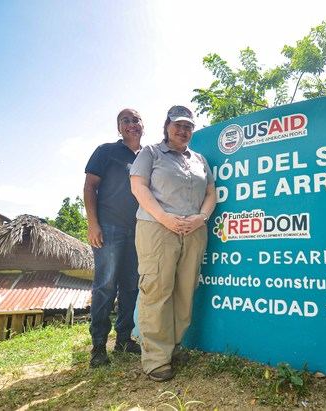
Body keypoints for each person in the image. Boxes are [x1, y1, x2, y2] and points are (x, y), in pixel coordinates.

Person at [130, 105, 216, 382]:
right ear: (167, 126)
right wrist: (164, 217)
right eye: (178, 125)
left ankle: (172, 347)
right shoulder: (151, 153)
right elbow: (138, 187)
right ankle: (155, 359)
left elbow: (211, 193)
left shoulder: (200, 160)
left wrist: (201, 218)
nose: (183, 130)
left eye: (188, 126)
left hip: (193, 231)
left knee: (184, 291)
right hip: (157, 228)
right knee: (157, 289)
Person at [84, 108, 143, 368]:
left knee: (131, 287)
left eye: (136, 119)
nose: (132, 124)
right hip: (109, 228)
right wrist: (93, 224)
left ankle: (123, 339)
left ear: (144, 125)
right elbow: (89, 186)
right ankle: (98, 346)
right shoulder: (106, 151)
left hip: (140, 231)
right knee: (105, 286)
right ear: (118, 127)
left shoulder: (148, 156)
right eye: (125, 120)